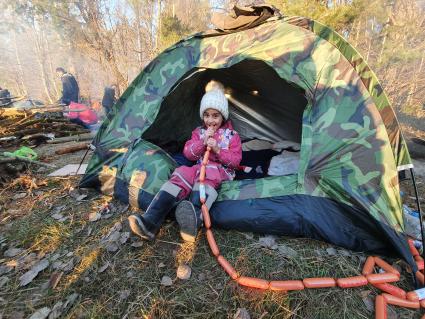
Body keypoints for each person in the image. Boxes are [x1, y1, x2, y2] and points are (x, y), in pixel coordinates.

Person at [128, 81, 242, 242]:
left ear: (223, 116)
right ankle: (151, 220)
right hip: (198, 168)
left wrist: (217, 149)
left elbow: (235, 161)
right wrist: (202, 142)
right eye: (207, 115)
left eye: (215, 116)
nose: (210, 120)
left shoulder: (232, 135)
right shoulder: (198, 132)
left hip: (219, 172)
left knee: (209, 170)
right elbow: (188, 154)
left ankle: (195, 217)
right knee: (182, 171)